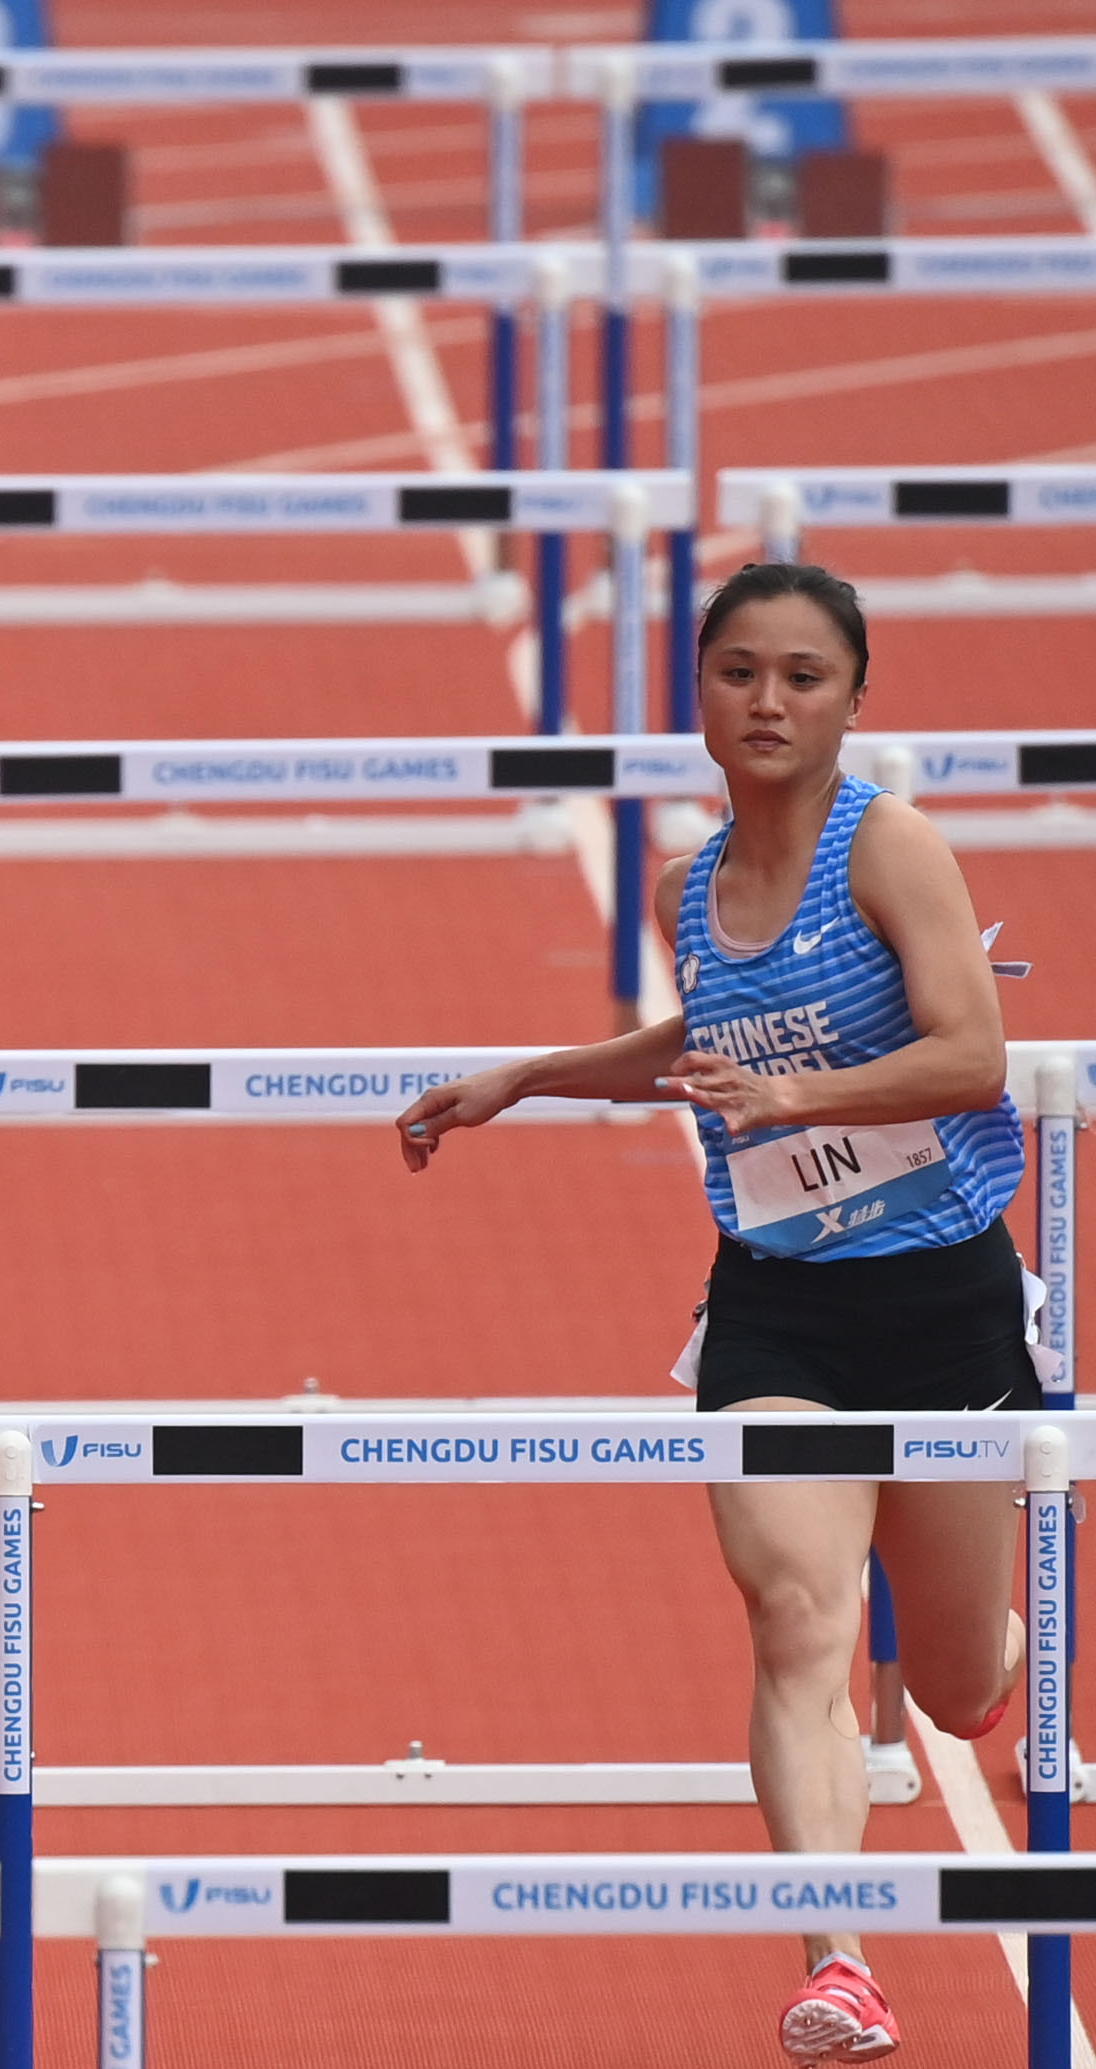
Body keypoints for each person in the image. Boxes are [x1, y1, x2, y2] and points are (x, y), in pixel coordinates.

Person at [395, 562, 1034, 2067]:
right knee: (800, 1619)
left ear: (853, 700)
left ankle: (994, 1639)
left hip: (941, 1304)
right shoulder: (693, 889)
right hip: (779, 1311)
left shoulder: (895, 850)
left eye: (803, 676)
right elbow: (709, 1040)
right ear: (699, 692)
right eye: (739, 671)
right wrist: (530, 1076)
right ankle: (840, 1964)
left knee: (950, 1690)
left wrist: (802, 1092)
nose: (767, 700)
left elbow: (973, 1053)